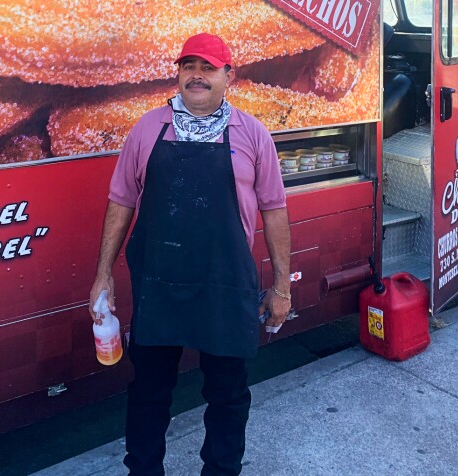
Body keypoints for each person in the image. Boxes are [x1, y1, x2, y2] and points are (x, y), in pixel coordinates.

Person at [88, 32, 292, 475]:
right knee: (148, 391)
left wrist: (281, 287)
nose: (196, 76)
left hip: (224, 281)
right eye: (188, 67)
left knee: (228, 393)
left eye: (208, 68)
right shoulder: (147, 128)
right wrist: (103, 274)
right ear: (178, 73)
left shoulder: (252, 134)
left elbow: (274, 210)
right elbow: (121, 200)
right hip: (159, 281)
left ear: (228, 76)